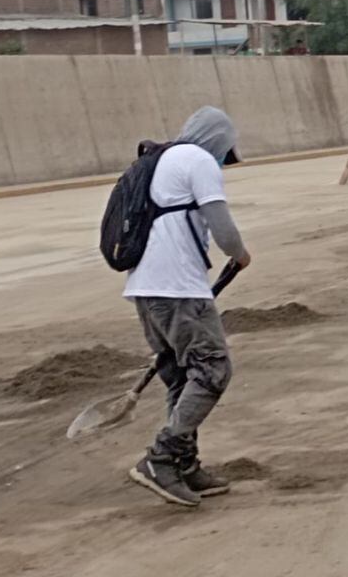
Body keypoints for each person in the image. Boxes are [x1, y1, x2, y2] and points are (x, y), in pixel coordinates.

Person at [124, 106, 251, 506]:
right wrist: (241, 254)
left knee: (181, 378)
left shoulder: (162, 159)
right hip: (178, 288)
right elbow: (221, 225)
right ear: (218, 141)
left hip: (145, 288)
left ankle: (184, 465)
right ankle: (161, 457)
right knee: (213, 369)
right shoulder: (197, 159)